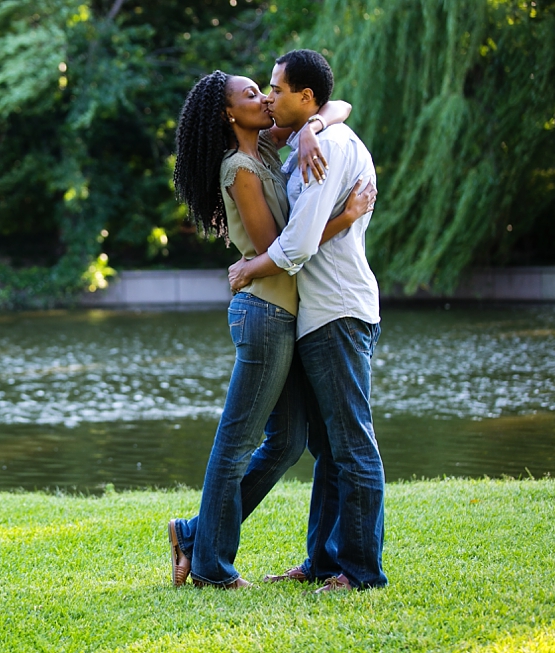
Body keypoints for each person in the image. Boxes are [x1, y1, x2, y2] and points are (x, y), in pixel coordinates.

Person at [167, 69, 377, 589]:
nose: (263, 98)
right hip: (263, 312)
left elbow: (336, 105)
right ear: (228, 114)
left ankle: (194, 534)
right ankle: (212, 567)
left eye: (266, 90)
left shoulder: (265, 146)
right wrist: (345, 216)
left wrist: (311, 130)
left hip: (288, 313)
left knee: (287, 443)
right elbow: (280, 247)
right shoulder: (240, 167)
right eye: (251, 94)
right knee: (237, 441)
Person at [228, 49, 387, 593]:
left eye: (277, 89)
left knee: (352, 446)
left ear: (305, 96)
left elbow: (296, 245)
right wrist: (312, 128)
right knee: (327, 451)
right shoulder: (306, 143)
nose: (269, 96)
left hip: (338, 310)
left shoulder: (330, 148)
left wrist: (250, 267)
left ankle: (361, 572)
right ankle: (322, 561)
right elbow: (336, 107)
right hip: (315, 315)